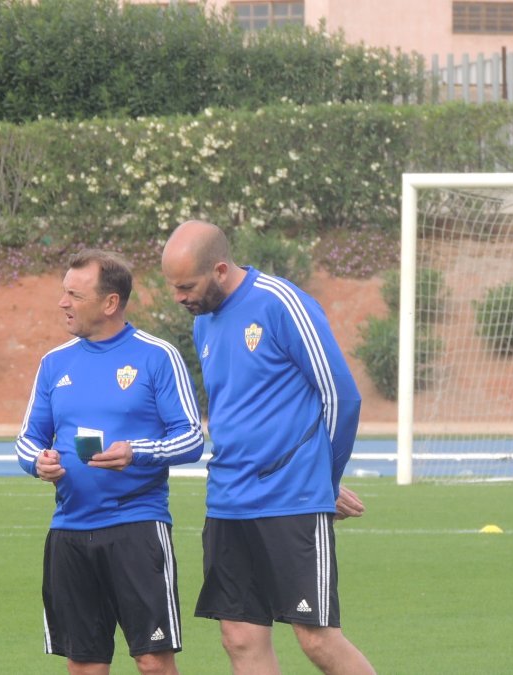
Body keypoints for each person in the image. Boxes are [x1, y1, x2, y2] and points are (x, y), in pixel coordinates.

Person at [160, 220, 376, 675]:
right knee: (239, 637)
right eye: (173, 286)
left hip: (289, 499)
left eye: (186, 285)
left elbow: (340, 396)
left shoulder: (281, 302)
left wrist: (324, 479)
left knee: (316, 639)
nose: (179, 296)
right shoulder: (204, 322)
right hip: (227, 502)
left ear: (220, 269)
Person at [15, 249, 205, 675]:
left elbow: (191, 438)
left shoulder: (157, 356)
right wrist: (38, 462)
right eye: (63, 292)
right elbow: (27, 439)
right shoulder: (54, 363)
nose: (62, 302)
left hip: (137, 528)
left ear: (110, 303)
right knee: (84, 665)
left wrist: (136, 451)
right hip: (69, 531)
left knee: (153, 661)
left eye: (74, 295)